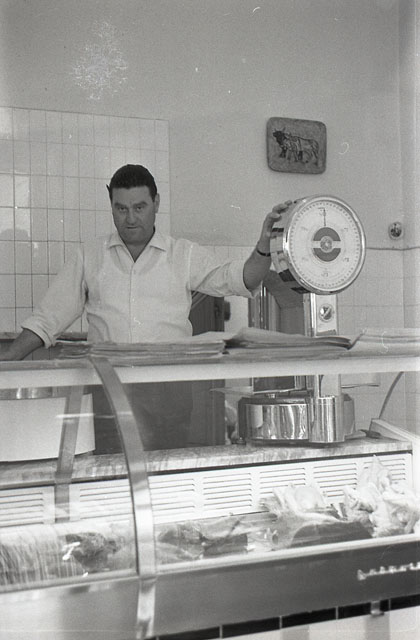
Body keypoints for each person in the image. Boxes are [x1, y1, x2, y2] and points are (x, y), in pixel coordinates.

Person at [0, 164, 289, 448]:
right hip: (107, 389)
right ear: (111, 205)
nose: (130, 218)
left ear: (156, 203)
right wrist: (7, 361)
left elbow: (242, 278)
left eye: (139, 207)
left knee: (167, 469)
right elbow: (47, 319)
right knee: (111, 470)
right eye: (121, 209)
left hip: (170, 391)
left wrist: (264, 245)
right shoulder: (89, 256)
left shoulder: (182, 254)